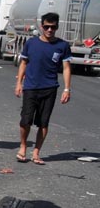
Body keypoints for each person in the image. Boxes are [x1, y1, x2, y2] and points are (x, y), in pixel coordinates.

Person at [15, 12, 72, 165]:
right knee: (25, 120)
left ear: (57, 27)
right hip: (31, 87)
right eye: (46, 27)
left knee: (43, 123)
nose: (49, 30)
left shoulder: (63, 46)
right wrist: (19, 83)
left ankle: (36, 152)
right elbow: (24, 63)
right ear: (42, 26)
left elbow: (66, 68)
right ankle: (23, 145)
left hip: (50, 88)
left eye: (52, 27)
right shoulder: (31, 43)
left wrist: (67, 89)